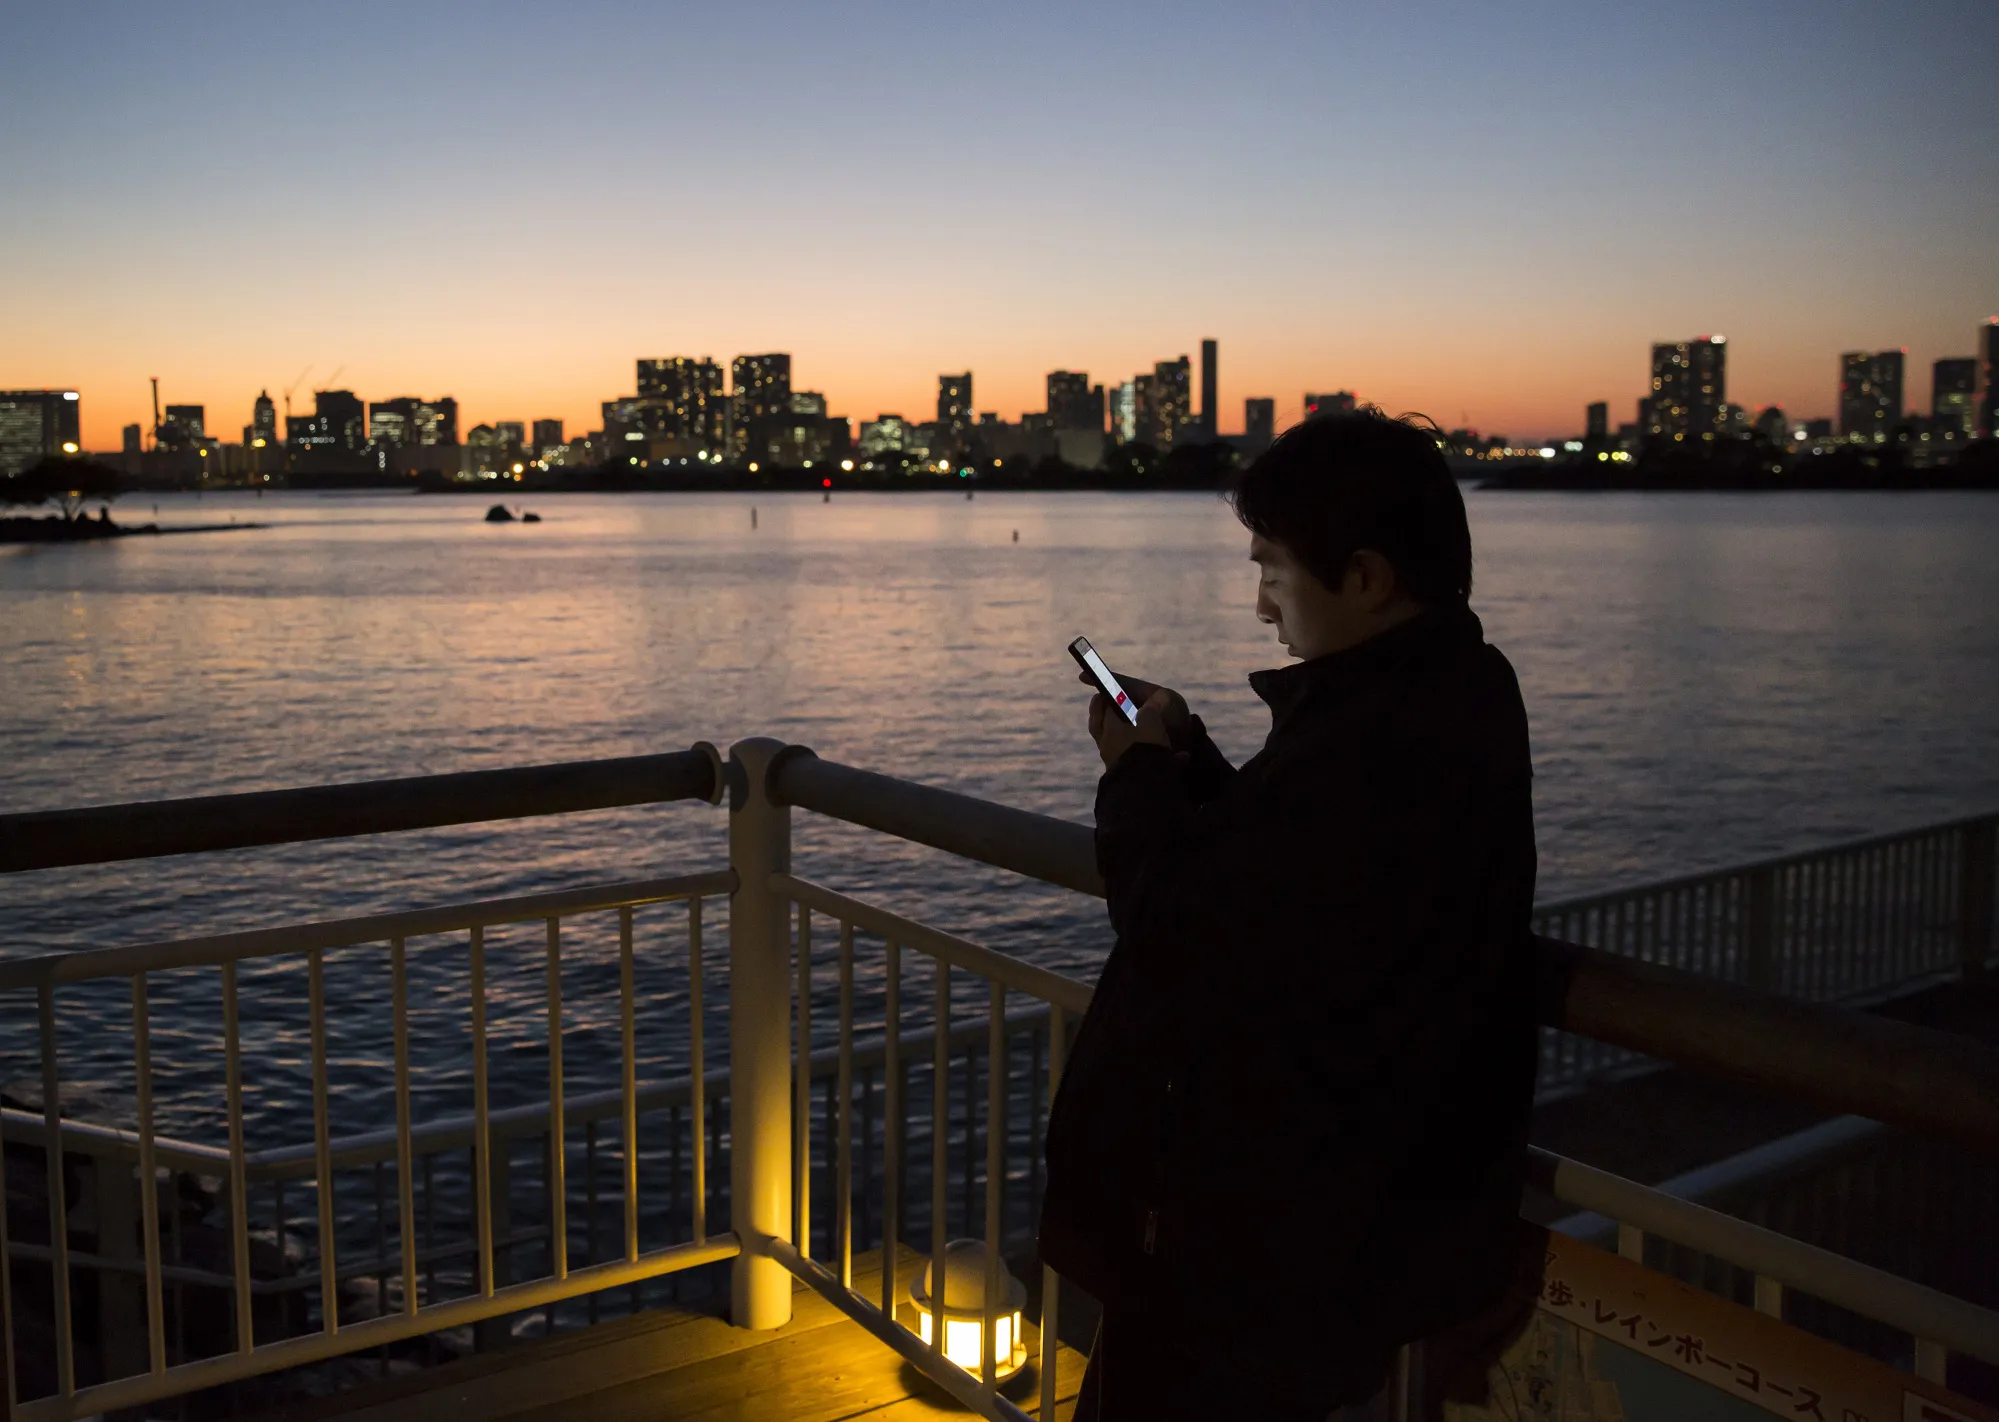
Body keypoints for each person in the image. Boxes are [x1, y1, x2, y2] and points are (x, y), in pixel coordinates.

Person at [1038, 409, 1541, 1421]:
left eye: (1272, 570)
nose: (1261, 604)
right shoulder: (1434, 699)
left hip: (1264, 1251)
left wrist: (1134, 782)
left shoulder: (1382, 741)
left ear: (1364, 577)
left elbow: (1187, 930)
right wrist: (1189, 760)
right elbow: (1289, 878)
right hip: (1312, 1238)